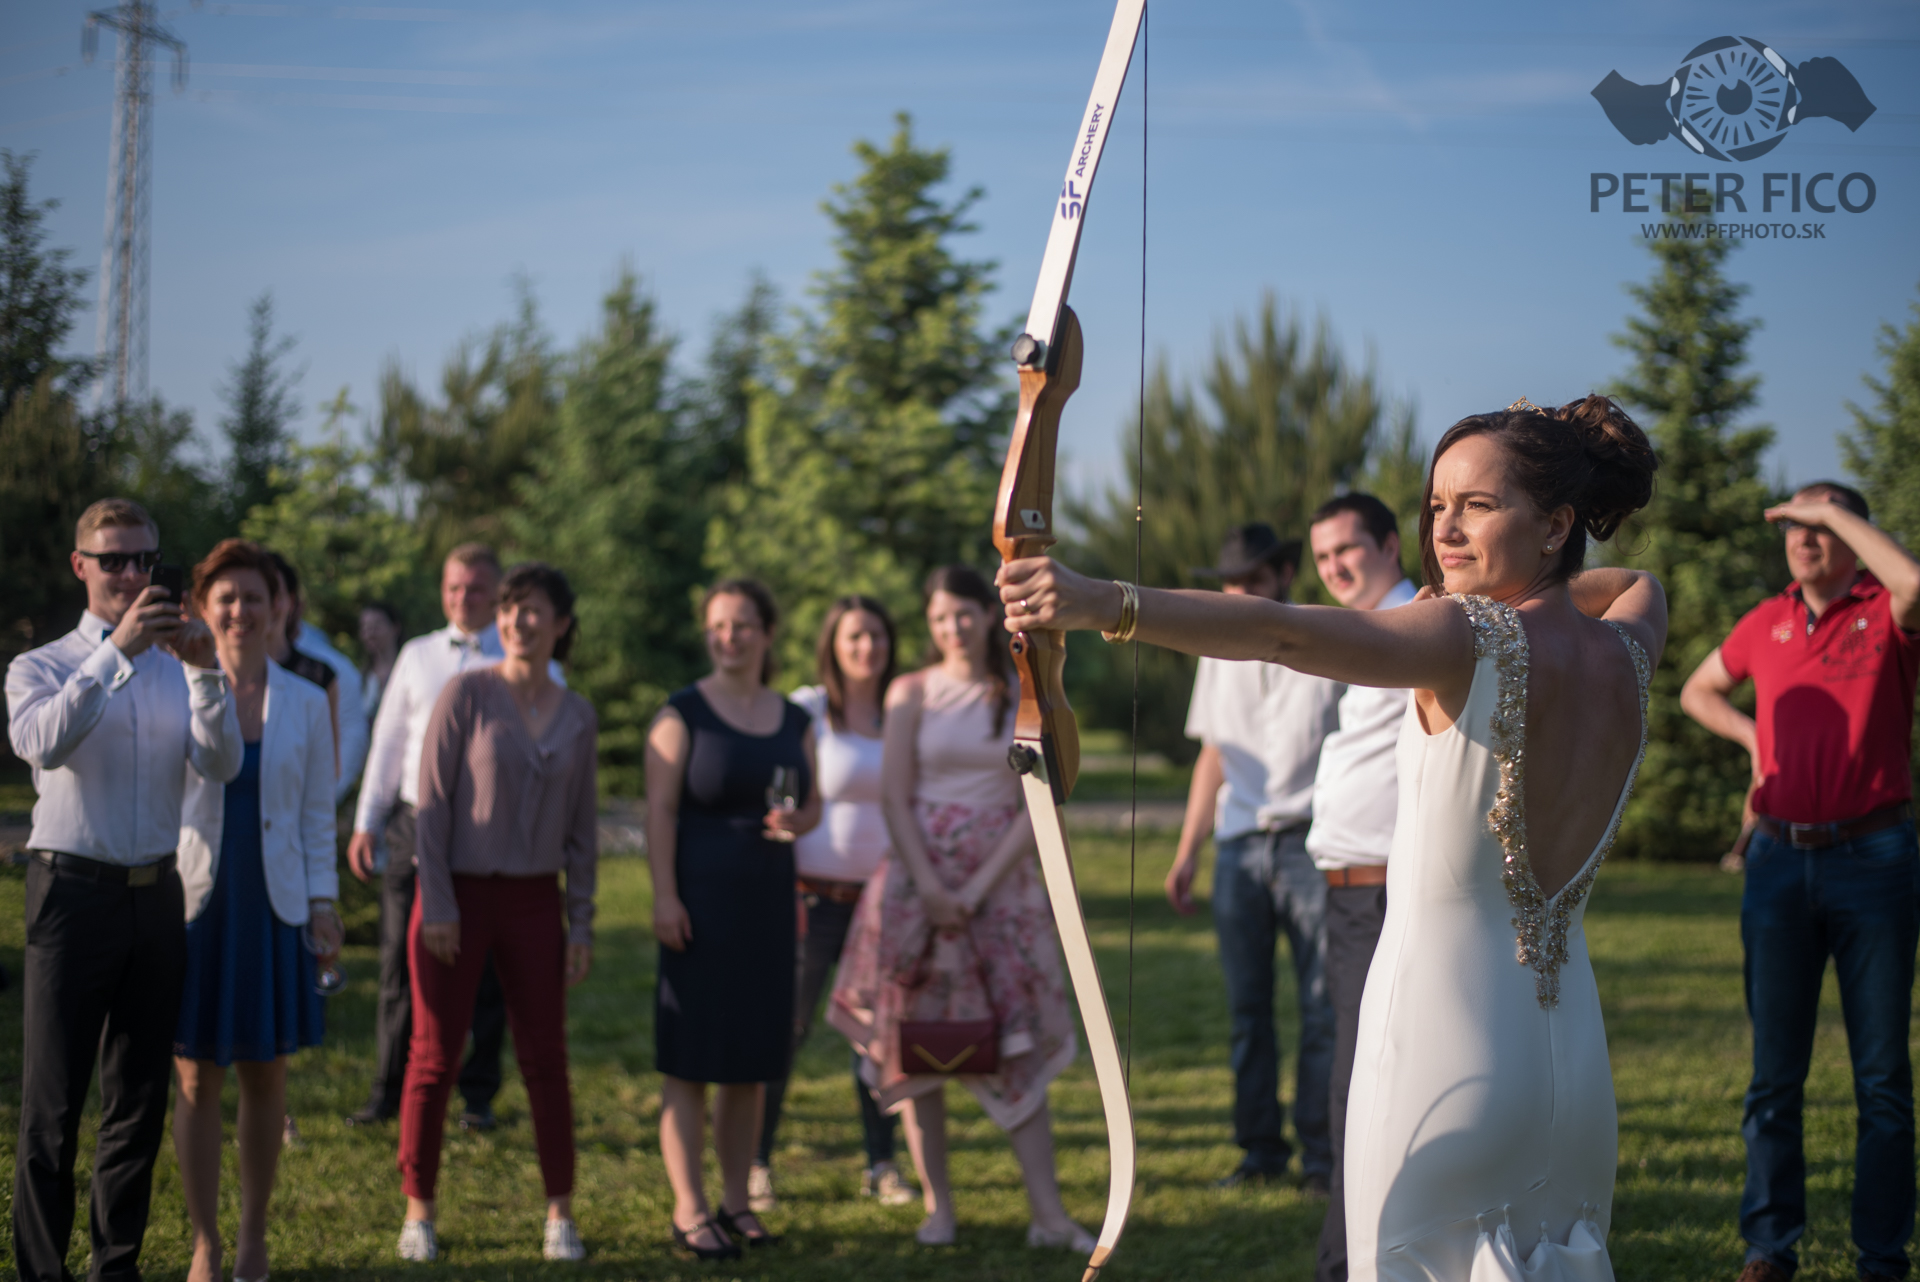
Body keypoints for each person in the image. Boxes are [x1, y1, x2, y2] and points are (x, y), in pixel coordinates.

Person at [999, 394, 1666, 1281]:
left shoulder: (1464, 636)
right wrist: (1523, 589)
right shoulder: (1629, 647)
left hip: (1443, 1042)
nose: (1445, 531)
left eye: (1478, 505)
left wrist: (1103, 603)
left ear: (1556, 523)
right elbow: (1632, 582)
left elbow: (1281, 632)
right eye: (1437, 505)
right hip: (1571, 1060)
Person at [1679, 481, 1920, 1282]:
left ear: (1853, 534)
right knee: (1773, 1078)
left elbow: (1916, 582)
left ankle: (1880, 1258)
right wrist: (1755, 738)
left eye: (1819, 524)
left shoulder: (1887, 609)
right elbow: (1696, 689)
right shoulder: (1767, 619)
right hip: (1778, 863)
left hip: (1875, 860)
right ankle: (1769, 1248)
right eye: (1793, 524)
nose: (1803, 537)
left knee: (1881, 1082)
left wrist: (1830, 510)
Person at [7, 498, 240, 1282]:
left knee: (136, 1103)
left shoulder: (178, 665)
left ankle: (116, 1268)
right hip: (71, 894)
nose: (133, 575)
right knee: (53, 1105)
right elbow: (43, 743)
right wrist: (114, 654)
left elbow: (221, 765)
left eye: (146, 559)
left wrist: (205, 672)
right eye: (114, 561)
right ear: (81, 566)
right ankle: (42, 1273)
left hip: (156, 895)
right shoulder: (40, 666)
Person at [828, 566, 1088, 1252]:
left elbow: (1038, 802)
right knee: (918, 1054)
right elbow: (895, 798)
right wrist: (933, 889)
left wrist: (973, 894)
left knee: (1015, 1047)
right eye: (940, 617)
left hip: (1001, 890)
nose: (952, 628)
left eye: (963, 614)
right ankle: (938, 1208)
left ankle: (1049, 1215)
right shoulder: (909, 692)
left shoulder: (1024, 686)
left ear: (987, 614)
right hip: (916, 887)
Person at [396, 561, 600, 1264]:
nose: (516, 620)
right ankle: (419, 1209)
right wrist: (439, 903)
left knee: (546, 1057)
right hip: (455, 895)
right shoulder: (466, 693)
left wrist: (582, 920)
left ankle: (560, 1211)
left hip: (535, 901)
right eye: (509, 608)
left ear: (562, 624)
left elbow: (583, 831)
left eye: (533, 608)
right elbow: (432, 807)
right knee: (434, 1056)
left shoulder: (579, 716)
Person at [172, 539, 340, 1282]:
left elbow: (316, 816)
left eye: (255, 596)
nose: (241, 609)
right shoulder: (173, 685)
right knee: (195, 1079)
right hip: (194, 901)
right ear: (202, 608)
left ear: (280, 607)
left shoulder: (306, 699)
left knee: (266, 1075)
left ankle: (252, 1239)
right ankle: (205, 1242)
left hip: (276, 904)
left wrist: (324, 902)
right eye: (227, 597)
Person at [1164, 523, 1341, 1191]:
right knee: (1248, 1010)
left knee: (1323, 1008)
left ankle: (1323, 1158)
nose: (1240, 594)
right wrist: (1188, 850)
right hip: (1238, 845)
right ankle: (1260, 1152)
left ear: (1284, 576)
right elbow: (1213, 753)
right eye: (1231, 584)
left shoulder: (1327, 637)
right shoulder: (1216, 650)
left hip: (1312, 840)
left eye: (1253, 581)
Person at [751, 595, 914, 1212]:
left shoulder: (905, 709)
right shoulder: (808, 710)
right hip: (812, 900)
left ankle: (883, 1166)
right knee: (783, 1031)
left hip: (885, 902)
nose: (866, 647)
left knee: (879, 1036)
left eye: (876, 635)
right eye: (854, 637)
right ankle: (755, 1165)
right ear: (833, 646)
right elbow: (776, 785)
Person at [345, 544, 514, 1131]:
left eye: (475, 588)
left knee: (487, 966)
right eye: (453, 588)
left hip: (489, 830)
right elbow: (389, 742)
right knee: (399, 960)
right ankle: (387, 1089)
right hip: (415, 823)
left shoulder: (519, 656)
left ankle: (478, 1097)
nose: (463, 598)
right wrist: (367, 821)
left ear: (497, 594)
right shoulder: (416, 656)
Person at [1303, 494, 1417, 1282]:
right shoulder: (1372, 631)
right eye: (1322, 557)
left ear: (1389, 545)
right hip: (1350, 896)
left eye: (1347, 549)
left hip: (1386, 893)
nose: (1335, 567)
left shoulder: (1420, 625)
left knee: (1362, 1090)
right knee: (1361, 1084)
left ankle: (1348, 1267)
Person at [264, 551, 343, 780]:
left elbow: (329, 768)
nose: (267, 605)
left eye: (275, 594)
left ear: (291, 602)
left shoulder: (319, 676)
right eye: (255, 596)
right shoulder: (215, 672)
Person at [360, 601, 404, 719]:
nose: (370, 634)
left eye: (377, 626)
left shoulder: (409, 671)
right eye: (365, 627)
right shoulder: (361, 677)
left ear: (395, 628)